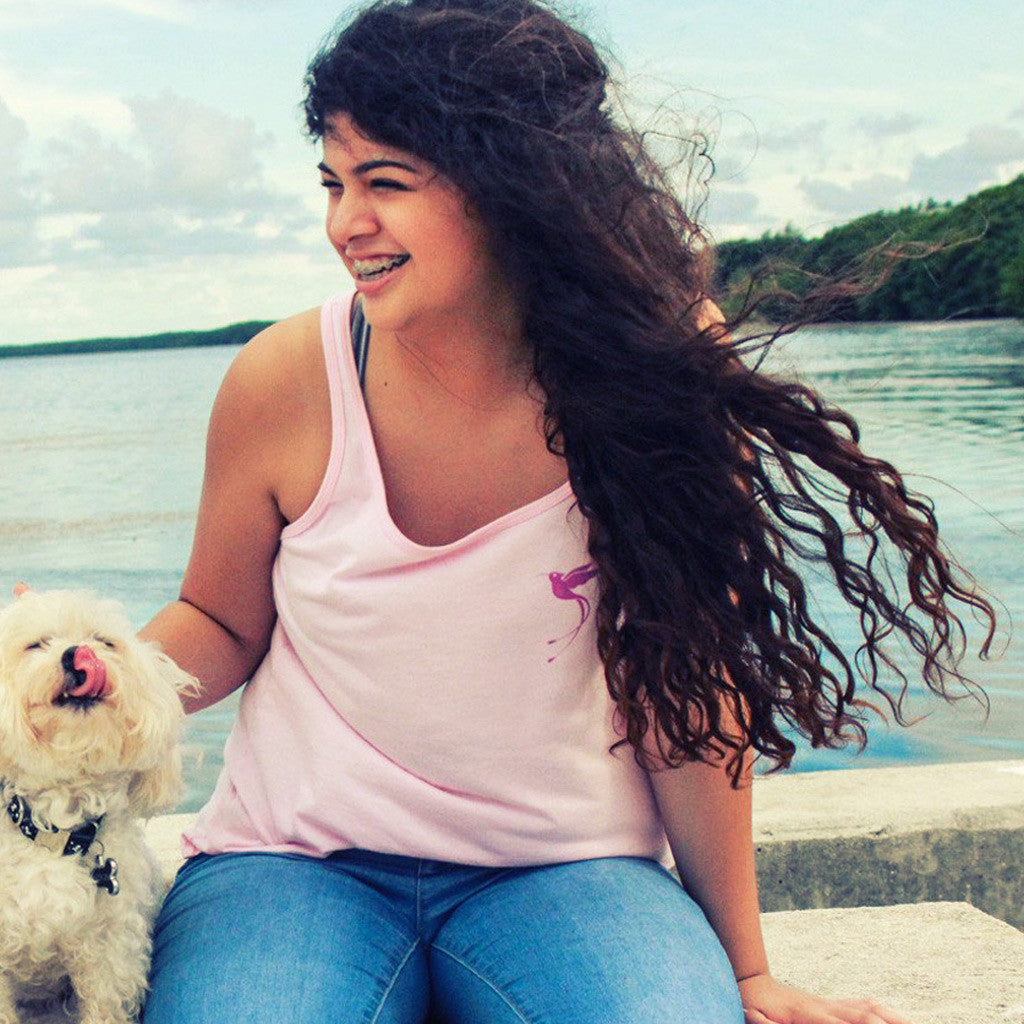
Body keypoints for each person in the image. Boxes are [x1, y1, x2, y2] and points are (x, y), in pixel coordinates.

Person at [139, 1, 996, 1021]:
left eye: (385, 183)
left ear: (510, 189)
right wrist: (77, 673)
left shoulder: (657, 367)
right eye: (333, 182)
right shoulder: (284, 378)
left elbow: (690, 673)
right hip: (291, 864)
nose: (344, 224)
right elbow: (225, 621)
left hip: (565, 874)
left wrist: (745, 970)